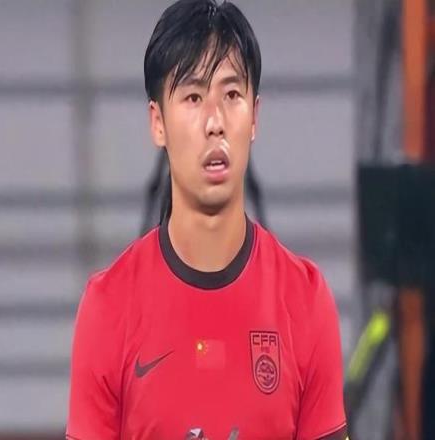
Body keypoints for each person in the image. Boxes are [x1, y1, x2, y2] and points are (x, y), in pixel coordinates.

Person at [66, 1, 348, 439]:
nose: (215, 122)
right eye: (193, 97)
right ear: (157, 122)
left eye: (231, 95)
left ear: (254, 117)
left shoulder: (306, 300)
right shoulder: (108, 308)